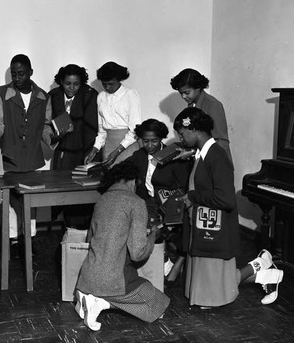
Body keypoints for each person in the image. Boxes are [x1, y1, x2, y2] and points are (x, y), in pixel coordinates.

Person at [174, 107, 283, 308]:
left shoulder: (217, 156)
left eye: (182, 134)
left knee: (218, 277)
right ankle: (261, 269)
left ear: (195, 129)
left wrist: (193, 196)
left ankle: (258, 269)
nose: (180, 139)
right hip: (203, 221)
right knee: (215, 277)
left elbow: (226, 199)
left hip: (214, 225)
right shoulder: (202, 153)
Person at [75, 159, 169, 331]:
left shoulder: (101, 200)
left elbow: (91, 238)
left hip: (87, 277)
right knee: (159, 305)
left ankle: (90, 298)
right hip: (113, 281)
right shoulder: (136, 202)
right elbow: (138, 254)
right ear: (133, 180)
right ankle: (101, 302)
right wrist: (153, 235)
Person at [0, 54, 54, 249]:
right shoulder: (0, 94)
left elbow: (46, 127)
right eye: (14, 74)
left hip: (32, 158)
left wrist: (51, 138)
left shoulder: (43, 97)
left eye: (21, 73)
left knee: (29, 200)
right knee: (12, 201)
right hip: (10, 158)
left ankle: (28, 239)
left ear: (30, 72)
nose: (17, 78)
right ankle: (13, 240)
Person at [130, 118, 192, 281]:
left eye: (154, 141)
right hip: (148, 201)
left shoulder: (174, 156)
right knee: (146, 229)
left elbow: (183, 186)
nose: (150, 146)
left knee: (160, 231)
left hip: (171, 203)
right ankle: (164, 263)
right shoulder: (139, 155)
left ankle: (173, 261)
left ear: (161, 139)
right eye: (146, 141)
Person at [170, 68, 233, 165]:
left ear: (198, 87)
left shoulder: (213, 105)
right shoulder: (192, 104)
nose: (183, 97)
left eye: (186, 93)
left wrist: (192, 152)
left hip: (217, 163)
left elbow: (221, 141)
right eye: (181, 93)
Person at [84, 61, 141, 166]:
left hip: (128, 145)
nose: (107, 88)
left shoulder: (130, 94)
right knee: (109, 177)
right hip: (109, 145)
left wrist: (118, 151)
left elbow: (135, 130)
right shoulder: (101, 96)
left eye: (111, 84)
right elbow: (102, 130)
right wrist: (95, 149)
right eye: (104, 84)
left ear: (119, 80)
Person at [49, 64, 98, 170]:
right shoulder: (53, 96)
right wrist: (56, 136)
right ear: (61, 81)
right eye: (67, 83)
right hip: (61, 150)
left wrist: (89, 155)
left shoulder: (89, 96)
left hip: (83, 149)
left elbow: (91, 130)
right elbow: (47, 126)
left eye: (76, 84)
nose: (71, 88)